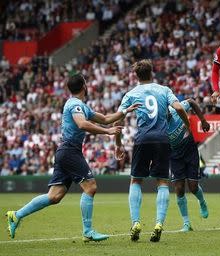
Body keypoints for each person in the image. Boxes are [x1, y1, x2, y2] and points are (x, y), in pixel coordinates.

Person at [5, 73, 139, 241]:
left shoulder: (81, 105)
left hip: (65, 151)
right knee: (90, 187)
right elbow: (82, 124)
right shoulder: (75, 104)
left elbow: (105, 119)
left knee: (54, 196)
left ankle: (16, 215)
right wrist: (108, 132)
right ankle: (88, 232)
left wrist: (125, 110)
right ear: (84, 86)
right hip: (69, 151)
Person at [114, 60, 191, 243]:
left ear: (136, 75)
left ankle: (135, 223)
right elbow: (179, 107)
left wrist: (118, 144)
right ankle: (158, 223)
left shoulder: (131, 93)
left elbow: (118, 121)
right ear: (152, 73)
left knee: (136, 180)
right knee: (162, 182)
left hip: (142, 139)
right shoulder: (164, 90)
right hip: (162, 140)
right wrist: (187, 125)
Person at [167, 98, 210, 232]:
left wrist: (203, 120)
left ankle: (202, 202)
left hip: (190, 150)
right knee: (179, 188)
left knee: (193, 187)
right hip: (174, 156)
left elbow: (192, 102)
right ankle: (186, 223)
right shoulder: (159, 126)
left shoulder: (176, 110)